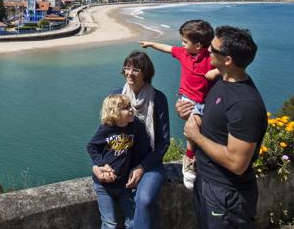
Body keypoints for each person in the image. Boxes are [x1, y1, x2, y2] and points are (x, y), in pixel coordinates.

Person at [179, 26, 267, 228]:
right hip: (207, 182)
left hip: (227, 194)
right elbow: (215, 126)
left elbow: (237, 162)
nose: (207, 51)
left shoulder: (245, 105)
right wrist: (192, 116)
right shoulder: (222, 81)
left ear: (228, 60)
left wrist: (195, 136)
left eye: (212, 49)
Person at [140, 19, 219, 190]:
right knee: (192, 129)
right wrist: (152, 43)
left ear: (198, 45)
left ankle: (197, 157)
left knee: (205, 132)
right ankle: (189, 158)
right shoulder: (184, 53)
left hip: (207, 102)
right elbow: (167, 49)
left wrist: (215, 71)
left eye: (185, 41)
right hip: (188, 100)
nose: (181, 44)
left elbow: (228, 64)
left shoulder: (211, 58)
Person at [109, 51, 170, 229]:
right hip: (122, 161)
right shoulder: (115, 97)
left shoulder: (158, 99)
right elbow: (106, 135)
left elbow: (163, 141)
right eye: (127, 68)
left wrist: (142, 167)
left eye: (135, 69)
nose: (129, 73)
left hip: (150, 163)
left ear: (146, 73)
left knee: (144, 199)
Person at [87, 94, 137, 229]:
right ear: (115, 113)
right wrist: (102, 164)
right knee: (110, 224)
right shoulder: (106, 129)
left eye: (130, 106)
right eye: (126, 108)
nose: (131, 109)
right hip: (104, 186)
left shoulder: (132, 127)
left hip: (123, 185)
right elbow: (91, 147)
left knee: (132, 223)